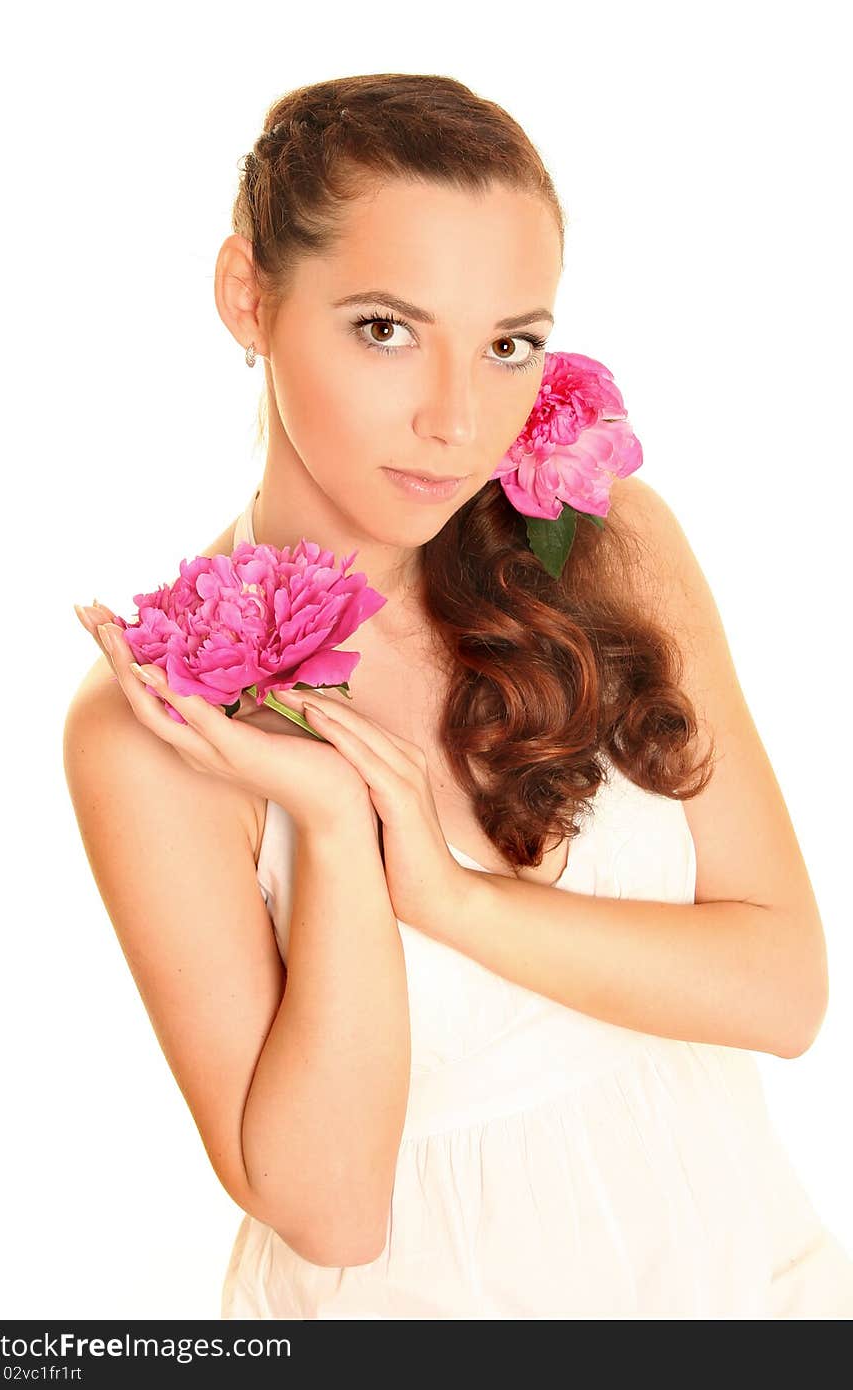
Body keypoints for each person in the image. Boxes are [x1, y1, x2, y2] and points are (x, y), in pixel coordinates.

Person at [63, 73, 853, 1319]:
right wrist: (331, 826)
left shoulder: (608, 544)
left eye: (508, 345)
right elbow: (329, 1209)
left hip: (745, 1279)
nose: (455, 418)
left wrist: (447, 897)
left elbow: (783, 987)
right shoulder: (160, 730)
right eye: (385, 328)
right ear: (248, 297)